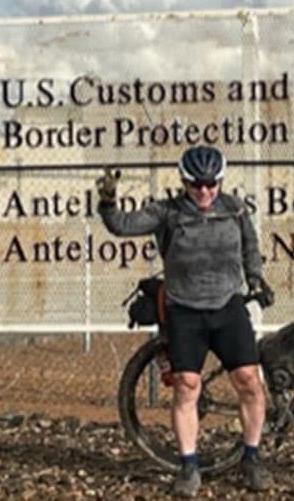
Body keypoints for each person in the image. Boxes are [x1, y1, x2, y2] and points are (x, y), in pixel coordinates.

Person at [97, 145, 275, 496]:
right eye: (196, 185)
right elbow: (121, 226)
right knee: (186, 386)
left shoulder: (235, 210)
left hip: (227, 306)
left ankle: (251, 457)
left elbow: (250, 246)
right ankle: (188, 465)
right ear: (184, 182)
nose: (205, 192)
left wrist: (255, 277)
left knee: (249, 383)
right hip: (185, 310)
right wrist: (107, 199)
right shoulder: (168, 212)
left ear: (221, 180)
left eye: (211, 184)